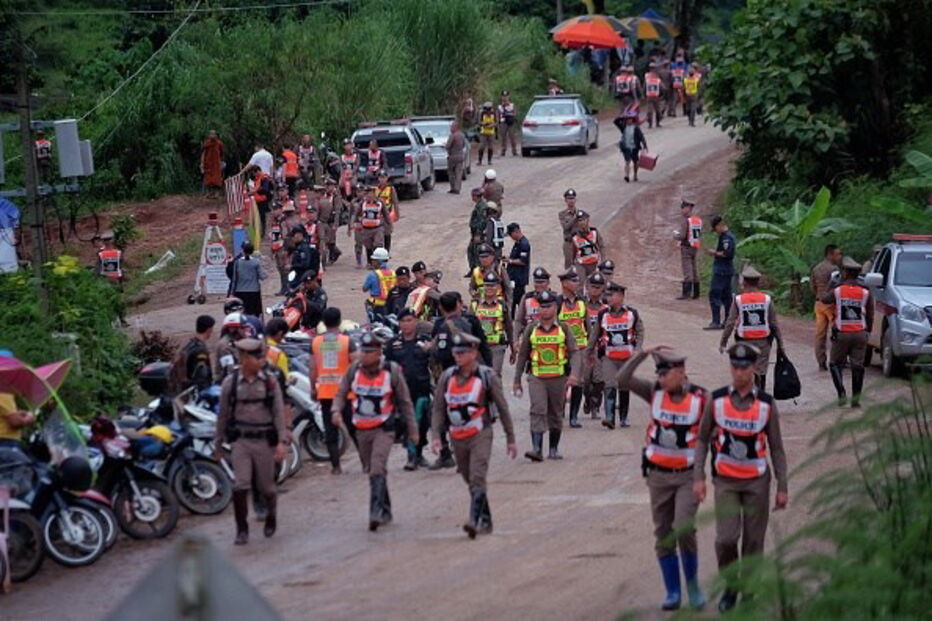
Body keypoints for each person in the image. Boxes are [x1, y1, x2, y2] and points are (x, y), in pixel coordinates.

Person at [693, 343, 789, 613]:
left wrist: (782, 486)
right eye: (735, 367)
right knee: (725, 539)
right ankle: (731, 585)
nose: (739, 372)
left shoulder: (766, 405)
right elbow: (702, 439)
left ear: (754, 368)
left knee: (753, 541)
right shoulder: (717, 400)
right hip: (726, 481)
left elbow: (777, 448)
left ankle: (748, 590)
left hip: (757, 482)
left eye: (744, 367)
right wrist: (698, 476)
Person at [616, 346, 709, 611]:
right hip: (658, 475)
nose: (660, 378)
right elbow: (622, 379)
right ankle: (673, 592)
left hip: (687, 476)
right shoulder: (654, 391)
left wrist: (701, 476)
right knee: (664, 533)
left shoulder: (702, 399)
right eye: (658, 374)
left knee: (684, 527)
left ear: (680, 372)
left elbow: (708, 438)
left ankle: (693, 587)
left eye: (665, 374)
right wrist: (643, 354)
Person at [432, 332, 517, 538]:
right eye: (456, 353)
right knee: (468, 476)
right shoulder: (447, 377)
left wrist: (510, 438)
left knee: (478, 475)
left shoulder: (487, 376)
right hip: (457, 435)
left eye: (462, 353)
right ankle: (486, 519)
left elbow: (502, 407)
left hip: (480, 433)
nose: (458, 357)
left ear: (473, 353)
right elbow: (439, 408)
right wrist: (435, 436)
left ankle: (474, 520)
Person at [332, 332, 418, 531]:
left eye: (369, 352)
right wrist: (336, 410)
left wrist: (413, 431)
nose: (364, 355)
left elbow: (405, 403)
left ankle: (375, 512)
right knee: (371, 469)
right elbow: (341, 392)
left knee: (377, 468)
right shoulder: (354, 370)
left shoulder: (391, 371)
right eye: (363, 351)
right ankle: (385, 509)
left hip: (384, 429)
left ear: (379, 353)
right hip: (361, 429)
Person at [215, 338, 287, 545]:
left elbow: (278, 413)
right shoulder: (230, 383)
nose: (262, 361)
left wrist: (281, 442)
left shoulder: (270, 382)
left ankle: (271, 515)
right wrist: (218, 444)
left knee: (267, 488)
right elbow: (223, 415)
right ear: (245, 358)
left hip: (264, 441)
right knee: (241, 485)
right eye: (258, 358)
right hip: (241, 441)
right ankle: (242, 529)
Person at [513, 290, 581, 461]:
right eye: (542, 306)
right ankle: (536, 449)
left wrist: (574, 374)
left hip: (558, 378)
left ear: (556, 307)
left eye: (548, 306)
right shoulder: (531, 329)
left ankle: (553, 449)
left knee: (556, 413)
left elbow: (574, 353)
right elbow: (523, 355)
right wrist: (517, 380)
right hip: (537, 377)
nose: (544, 310)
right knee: (538, 410)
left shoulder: (564, 328)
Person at [429, 291, 494, 469]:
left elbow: (440, 353)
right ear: (459, 304)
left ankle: (447, 453)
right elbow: (483, 346)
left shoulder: (441, 325)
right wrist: (488, 370)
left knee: (441, 412)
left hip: (449, 376)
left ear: (441, 307)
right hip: (469, 374)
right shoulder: (470, 321)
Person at [720, 265, 786, 392]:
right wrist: (780, 344)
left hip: (744, 342)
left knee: (745, 368)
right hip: (763, 342)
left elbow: (730, 322)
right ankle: (761, 394)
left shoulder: (738, 300)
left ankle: (747, 393)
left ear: (744, 282)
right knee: (761, 370)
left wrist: (723, 342)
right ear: (758, 282)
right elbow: (774, 324)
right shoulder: (766, 299)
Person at [588, 282, 644, 430]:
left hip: (627, 357)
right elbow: (594, 335)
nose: (608, 298)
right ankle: (610, 417)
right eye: (607, 295)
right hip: (608, 358)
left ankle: (623, 418)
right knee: (610, 385)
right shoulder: (603, 314)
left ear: (621, 296)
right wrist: (589, 353)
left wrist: (638, 349)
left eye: (611, 295)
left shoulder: (632, 314)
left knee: (624, 387)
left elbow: (640, 331)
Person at [385, 308, 434, 471]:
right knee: (409, 423)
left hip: (422, 388)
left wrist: (431, 350)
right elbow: (387, 367)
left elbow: (436, 361)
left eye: (410, 320)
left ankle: (418, 454)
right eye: (403, 321)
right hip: (402, 391)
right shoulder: (393, 344)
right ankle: (411, 457)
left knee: (423, 423)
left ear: (416, 322)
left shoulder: (424, 341)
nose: (407, 324)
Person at [822, 256, 874, 407]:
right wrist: (867, 332)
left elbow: (824, 299)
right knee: (858, 366)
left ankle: (842, 394)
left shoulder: (838, 290)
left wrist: (832, 282)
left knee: (834, 363)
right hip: (860, 333)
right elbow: (870, 314)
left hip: (842, 333)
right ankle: (856, 400)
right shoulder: (865, 292)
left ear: (844, 273)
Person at [311, 307, 357, 474]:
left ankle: (336, 467)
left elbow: (312, 368)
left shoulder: (316, 342)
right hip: (346, 393)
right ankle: (366, 462)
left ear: (323, 322)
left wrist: (313, 388)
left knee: (330, 430)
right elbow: (356, 365)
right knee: (354, 428)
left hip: (325, 393)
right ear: (339, 321)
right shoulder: (347, 341)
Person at [557, 269, 589, 428]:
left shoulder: (582, 302)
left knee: (578, 382)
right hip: (561, 349)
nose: (577, 283)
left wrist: (591, 348)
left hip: (580, 348)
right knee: (561, 381)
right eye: (574, 281)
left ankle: (574, 416)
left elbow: (588, 325)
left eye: (577, 280)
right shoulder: (557, 303)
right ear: (564, 283)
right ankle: (560, 411)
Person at [470, 272, 514, 376]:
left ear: (498, 287)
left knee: (494, 374)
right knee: (479, 375)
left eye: (492, 285)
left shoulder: (502, 305)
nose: (489, 288)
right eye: (487, 285)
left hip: (497, 347)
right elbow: (468, 325)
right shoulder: (475, 304)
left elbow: (509, 326)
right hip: (479, 347)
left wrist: (513, 347)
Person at [810, 244, 842, 370]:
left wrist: (820, 295)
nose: (839, 257)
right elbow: (838, 287)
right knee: (836, 333)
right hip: (831, 304)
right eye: (837, 254)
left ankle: (821, 362)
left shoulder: (816, 268)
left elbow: (812, 287)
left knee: (820, 334)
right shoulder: (834, 269)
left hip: (818, 303)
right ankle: (836, 360)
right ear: (830, 254)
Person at [581, 272, 608, 420]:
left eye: (598, 287)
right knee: (585, 380)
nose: (595, 290)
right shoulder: (581, 305)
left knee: (599, 380)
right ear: (587, 287)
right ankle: (587, 398)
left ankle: (595, 404)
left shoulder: (606, 307)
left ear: (603, 288)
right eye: (592, 286)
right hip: (584, 348)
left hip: (600, 349)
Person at [704, 215, 736, 330]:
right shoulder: (727, 236)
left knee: (715, 294)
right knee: (726, 297)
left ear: (719, 226)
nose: (716, 231)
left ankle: (716, 321)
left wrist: (714, 253)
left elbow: (727, 254)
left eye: (715, 228)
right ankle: (727, 321)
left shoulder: (727, 238)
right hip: (726, 270)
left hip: (721, 270)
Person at [169, 315, 215, 394]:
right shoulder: (201, 351)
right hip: (194, 391)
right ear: (209, 330)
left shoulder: (190, 345)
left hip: (184, 388)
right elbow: (202, 375)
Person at [350, 185, 392, 267]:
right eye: (366, 193)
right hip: (366, 229)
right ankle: (370, 262)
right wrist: (352, 223)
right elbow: (355, 213)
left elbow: (386, 214)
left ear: (373, 193)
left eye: (369, 193)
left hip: (378, 228)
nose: (367, 195)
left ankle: (380, 262)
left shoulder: (380, 202)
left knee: (378, 245)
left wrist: (389, 225)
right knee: (368, 246)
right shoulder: (362, 203)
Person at [229, 242, 265, 318]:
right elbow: (262, 276)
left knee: (241, 313)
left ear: (243, 250)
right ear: (252, 251)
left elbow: (234, 279)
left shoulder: (237, 262)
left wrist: (231, 293)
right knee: (253, 314)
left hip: (240, 292)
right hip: (254, 292)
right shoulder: (256, 262)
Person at [513, 267, 552, 336]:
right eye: (537, 282)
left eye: (542, 282)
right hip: (530, 336)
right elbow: (519, 321)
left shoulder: (554, 298)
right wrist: (516, 337)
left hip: (549, 337)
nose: (539, 285)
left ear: (548, 282)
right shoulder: (527, 298)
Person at [675, 199, 702, 300]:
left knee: (687, 270)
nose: (681, 210)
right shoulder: (697, 220)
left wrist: (675, 236)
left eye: (683, 208)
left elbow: (682, 236)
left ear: (687, 208)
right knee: (694, 269)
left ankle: (686, 294)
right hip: (694, 246)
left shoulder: (685, 220)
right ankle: (696, 293)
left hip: (686, 246)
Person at [363, 247, 395, 323]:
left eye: (373, 260)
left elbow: (364, 289)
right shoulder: (393, 273)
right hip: (391, 305)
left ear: (378, 261)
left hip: (377, 306)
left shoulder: (373, 275)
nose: (372, 262)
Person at [505, 222, 530, 318]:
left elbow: (523, 261)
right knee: (512, 299)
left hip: (519, 278)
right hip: (514, 277)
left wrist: (510, 261)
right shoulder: (518, 243)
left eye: (511, 234)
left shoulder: (524, 244)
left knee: (519, 300)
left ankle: (521, 318)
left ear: (516, 232)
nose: (511, 237)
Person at [615, 112, 648, 183]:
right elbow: (616, 122)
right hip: (626, 147)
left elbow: (641, 137)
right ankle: (627, 176)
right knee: (627, 161)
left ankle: (635, 174)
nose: (629, 120)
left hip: (634, 147)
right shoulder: (623, 127)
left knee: (635, 162)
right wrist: (622, 117)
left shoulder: (636, 128)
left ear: (633, 120)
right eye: (627, 119)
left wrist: (645, 145)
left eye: (630, 119)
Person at [214, 312, 248, 381]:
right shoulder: (225, 346)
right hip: (226, 383)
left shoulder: (238, 342)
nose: (245, 330)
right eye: (242, 328)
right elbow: (229, 371)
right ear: (233, 329)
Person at [572, 210, 603, 279]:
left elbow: (601, 246)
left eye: (584, 220)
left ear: (588, 220)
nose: (582, 222)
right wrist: (573, 264)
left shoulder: (594, 232)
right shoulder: (574, 236)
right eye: (580, 221)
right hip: (581, 264)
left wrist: (603, 260)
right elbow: (573, 252)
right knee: (582, 282)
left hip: (594, 263)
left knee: (593, 282)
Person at [375, 170, 400, 251]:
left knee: (387, 233)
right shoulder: (375, 189)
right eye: (380, 177)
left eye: (384, 177)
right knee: (378, 235)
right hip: (377, 214)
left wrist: (397, 213)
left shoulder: (391, 189)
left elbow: (395, 202)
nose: (382, 179)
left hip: (387, 214)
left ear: (387, 178)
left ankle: (386, 251)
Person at [466, 187, 489, 271]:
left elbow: (482, 221)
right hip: (475, 232)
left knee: (477, 252)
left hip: (478, 233)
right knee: (471, 250)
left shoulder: (482, 206)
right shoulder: (479, 205)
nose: (472, 197)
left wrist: (478, 234)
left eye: (473, 196)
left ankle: (478, 269)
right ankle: (473, 269)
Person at [248, 165, 274, 235]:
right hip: (257, 200)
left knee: (262, 216)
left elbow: (265, 189)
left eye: (254, 173)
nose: (253, 175)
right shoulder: (257, 178)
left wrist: (255, 190)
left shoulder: (264, 178)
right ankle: (258, 231)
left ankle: (263, 231)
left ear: (258, 171)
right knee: (257, 216)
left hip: (263, 200)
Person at [200, 130, 224, 199]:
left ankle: (216, 194)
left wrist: (221, 162)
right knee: (208, 179)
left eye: (213, 134)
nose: (212, 136)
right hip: (208, 164)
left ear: (216, 135)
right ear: (209, 135)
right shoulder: (207, 143)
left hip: (216, 164)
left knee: (217, 179)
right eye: (211, 134)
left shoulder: (219, 143)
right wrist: (202, 163)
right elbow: (203, 154)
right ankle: (208, 193)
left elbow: (221, 153)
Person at [445, 120, 468, 194]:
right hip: (460, 156)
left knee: (451, 173)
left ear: (455, 127)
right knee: (459, 173)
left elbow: (448, 146)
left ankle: (453, 187)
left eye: (451, 127)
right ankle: (457, 188)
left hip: (452, 157)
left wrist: (445, 146)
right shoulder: (462, 135)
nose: (450, 128)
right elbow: (464, 145)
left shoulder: (452, 135)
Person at [559, 188, 579, 269]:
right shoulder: (562, 214)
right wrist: (575, 218)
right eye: (569, 198)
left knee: (580, 264)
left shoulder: (580, 213)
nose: (571, 201)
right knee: (569, 266)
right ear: (565, 200)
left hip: (579, 242)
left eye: (573, 198)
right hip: (569, 243)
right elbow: (565, 227)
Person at [497, 90, 518, 157]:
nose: (505, 98)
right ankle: (503, 150)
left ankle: (514, 151)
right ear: (501, 97)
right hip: (503, 122)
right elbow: (497, 115)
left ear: (508, 97)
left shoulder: (512, 105)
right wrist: (498, 123)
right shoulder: (499, 106)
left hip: (510, 122)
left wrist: (510, 116)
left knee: (512, 136)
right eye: (503, 96)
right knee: (503, 137)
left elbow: (515, 113)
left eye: (506, 96)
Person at [644, 63, 665, 129]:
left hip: (649, 95)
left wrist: (644, 95)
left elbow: (644, 87)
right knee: (657, 110)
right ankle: (657, 123)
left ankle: (650, 124)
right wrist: (662, 94)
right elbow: (662, 87)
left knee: (650, 110)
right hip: (656, 96)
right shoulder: (657, 76)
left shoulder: (646, 76)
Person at [477, 101, 497, 165]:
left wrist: (492, 125)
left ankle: (489, 160)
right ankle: (480, 160)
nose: (488, 111)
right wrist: (484, 123)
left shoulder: (494, 113)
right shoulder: (482, 113)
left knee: (490, 147)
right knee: (481, 147)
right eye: (486, 109)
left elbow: (496, 122)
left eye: (489, 109)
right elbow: (479, 122)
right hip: (483, 132)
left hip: (491, 132)